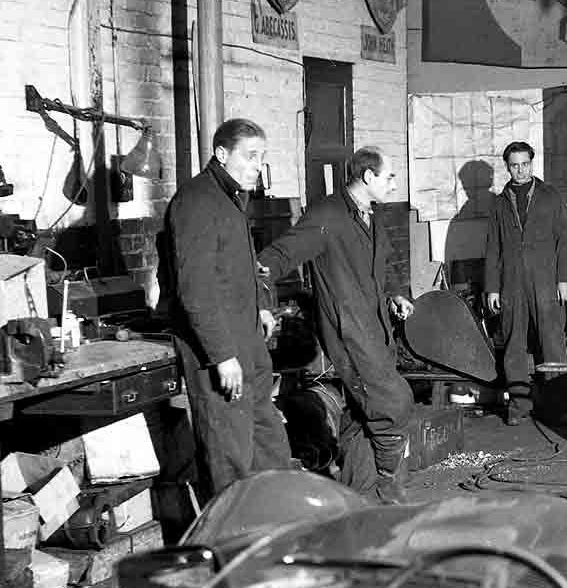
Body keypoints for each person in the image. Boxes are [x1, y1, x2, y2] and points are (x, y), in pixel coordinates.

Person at [256, 146, 415, 504]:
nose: (393, 184)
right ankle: (387, 485)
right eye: (389, 177)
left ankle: (359, 495)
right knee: (394, 404)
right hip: (350, 332)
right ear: (368, 176)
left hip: (377, 328)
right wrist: (263, 305)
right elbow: (274, 259)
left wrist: (395, 293)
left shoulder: (370, 213)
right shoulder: (327, 215)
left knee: (362, 414)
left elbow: (384, 262)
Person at [159, 117, 292, 503]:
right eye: (250, 156)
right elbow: (195, 289)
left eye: (261, 157)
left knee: (268, 442)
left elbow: (238, 267)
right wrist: (221, 355)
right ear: (221, 153)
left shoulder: (230, 199)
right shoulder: (196, 202)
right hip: (219, 350)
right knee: (229, 456)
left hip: (246, 341)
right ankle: (235, 533)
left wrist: (262, 307)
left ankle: (278, 523)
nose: (258, 166)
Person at [484, 141, 567, 425]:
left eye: (525, 164)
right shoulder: (499, 203)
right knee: (513, 344)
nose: (520, 170)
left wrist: (564, 278)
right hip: (511, 282)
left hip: (546, 280)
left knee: (552, 341)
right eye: (514, 165)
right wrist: (492, 287)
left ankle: (559, 407)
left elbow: (564, 240)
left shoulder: (550, 196)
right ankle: (519, 406)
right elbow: (493, 247)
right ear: (507, 167)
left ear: (532, 163)